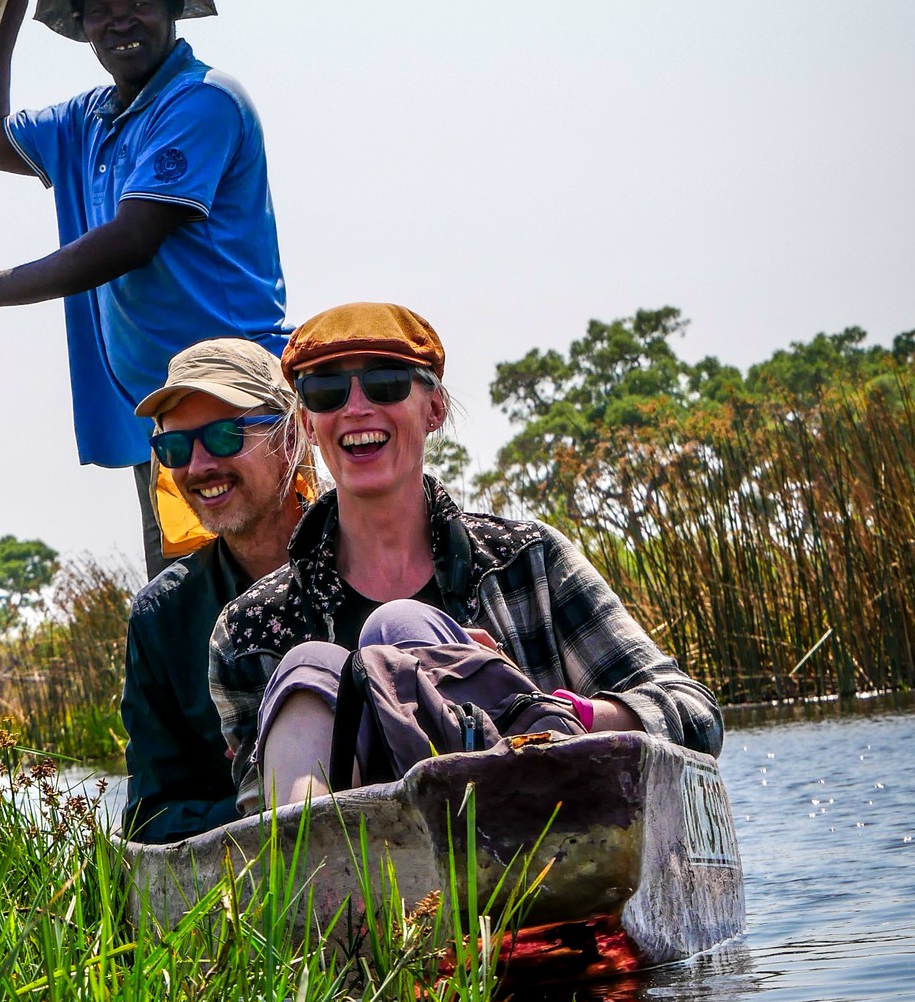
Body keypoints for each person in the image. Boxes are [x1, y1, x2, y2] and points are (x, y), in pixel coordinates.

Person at [208, 302, 724, 813]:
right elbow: (254, 804)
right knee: (314, 667)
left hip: (532, 849)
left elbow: (696, 714)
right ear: (306, 422)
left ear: (434, 409)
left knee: (399, 630)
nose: (355, 407)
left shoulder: (529, 562)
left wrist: (550, 711)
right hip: (359, 871)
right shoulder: (254, 627)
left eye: (385, 383)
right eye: (326, 391)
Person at [0, 0, 289, 577]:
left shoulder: (201, 101)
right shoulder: (86, 121)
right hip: (161, 422)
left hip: (235, 411)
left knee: (267, 601)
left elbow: (133, 239)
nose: (121, 20)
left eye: (139, 3)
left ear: (171, 11)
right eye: (101, 9)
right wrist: (8, 1)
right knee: (189, 615)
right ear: (82, 29)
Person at [121, 338, 308, 844]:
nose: (199, 465)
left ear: (291, 437)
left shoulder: (370, 561)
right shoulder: (163, 617)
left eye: (226, 435)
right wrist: (263, 810)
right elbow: (151, 815)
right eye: (175, 448)